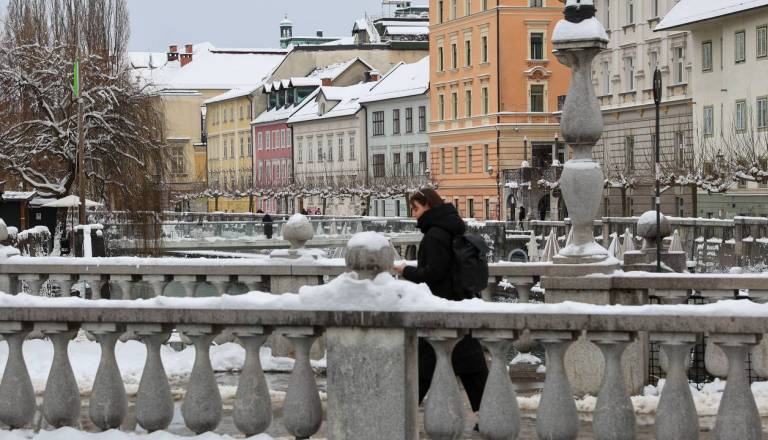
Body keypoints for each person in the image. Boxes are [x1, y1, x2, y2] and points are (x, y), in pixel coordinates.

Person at [393, 188, 489, 420]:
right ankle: (491, 414)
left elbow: (433, 274)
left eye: (416, 208)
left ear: (428, 206)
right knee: (472, 368)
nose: (414, 215)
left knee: (424, 368)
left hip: (441, 308)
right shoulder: (450, 228)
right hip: (459, 303)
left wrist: (406, 270)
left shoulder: (435, 234)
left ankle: (397, 417)